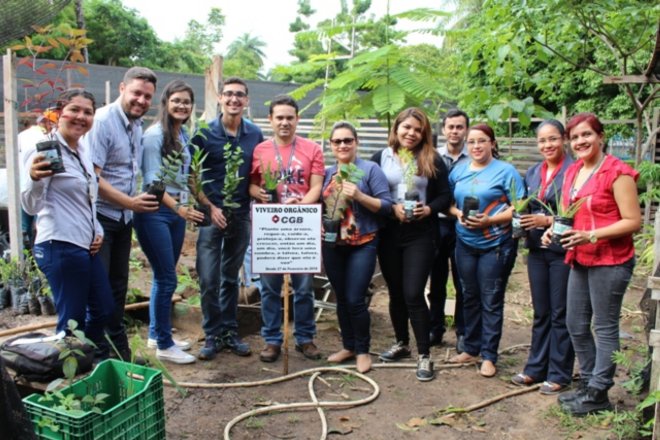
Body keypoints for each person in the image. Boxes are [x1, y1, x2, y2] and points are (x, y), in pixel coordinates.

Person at [545, 113, 640, 416]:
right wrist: (552, 230)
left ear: (600, 137)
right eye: (574, 138)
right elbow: (568, 214)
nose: (580, 141)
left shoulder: (617, 172)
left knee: (604, 325)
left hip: (611, 260)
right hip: (580, 257)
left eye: (586, 135)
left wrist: (591, 234)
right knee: (574, 323)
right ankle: (587, 383)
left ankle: (600, 389)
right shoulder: (573, 171)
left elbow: (633, 221)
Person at [22, 88, 113, 353]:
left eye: (87, 112)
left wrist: (97, 229)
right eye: (74, 109)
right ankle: (67, 381)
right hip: (59, 245)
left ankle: (91, 360)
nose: (81, 116)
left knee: (103, 309)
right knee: (71, 324)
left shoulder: (82, 150)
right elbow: (30, 204)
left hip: (86, 246)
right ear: (59, 113)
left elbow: (87, 198)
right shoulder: (46, 151)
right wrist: (33, 177)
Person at [371, 107, 451, 382]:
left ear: (424, 133)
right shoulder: (380, 157)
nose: (412, 133)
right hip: (389, 232)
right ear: (396, 128)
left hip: (420, 233)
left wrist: (429, 210)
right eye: (407, 127)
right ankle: (402, 343)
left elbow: (445, 196)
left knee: (414, 293)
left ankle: (424, 355)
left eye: (418, 130)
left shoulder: (432, 158)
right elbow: (369, 190)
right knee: (395, 291)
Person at [87, 67, 160, 360]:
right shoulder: (103, 121)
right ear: (122, 88)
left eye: (147, 96)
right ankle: (94, 356)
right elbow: (93, 177)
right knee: (100, 292)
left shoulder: (136, 124)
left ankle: (117, 354)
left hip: (122, 220)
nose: (141, 100)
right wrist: (130, 202)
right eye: (136, 93)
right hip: (102, 218)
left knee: (118, 288)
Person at [193, 77, 264, 361]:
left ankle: (229, 332)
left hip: (240, 215)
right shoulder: (204, 133)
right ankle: (212, 334)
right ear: (220, 98)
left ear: (246, 101)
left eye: (240, 95)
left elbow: (255, 175)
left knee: (231, 277)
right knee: (209, 278)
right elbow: (192, 176)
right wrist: (210, 207)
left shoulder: (254, 134)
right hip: (211, 216)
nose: (234, 100)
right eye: (229, 94)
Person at [249, 95, 325, 363]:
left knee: (304, 286)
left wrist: (300, 203)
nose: (284, 122)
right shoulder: (260, 150)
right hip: (270, 226)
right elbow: (252, 185)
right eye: (279, 117)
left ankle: (305, 338)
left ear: (297, 120)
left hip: (301, 224)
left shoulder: (312, 149)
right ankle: (272, 339)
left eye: (289, 118)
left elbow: (316, 186)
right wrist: (259, 192)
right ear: (270, 120)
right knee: (269, 287)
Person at [133, 80, 204, 364]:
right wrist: (179, 209)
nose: (182, 106)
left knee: (164, 276)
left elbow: (188, 176)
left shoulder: (182, 134)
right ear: (165, 103)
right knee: (167, 278)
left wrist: (199, 203)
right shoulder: (154, 136)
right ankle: (164, 345)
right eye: (176, 100)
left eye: (186, 101)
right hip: (155, 211)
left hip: (175, 211)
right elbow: (153, 182)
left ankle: (156, 333)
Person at [448, 123, 523, 378]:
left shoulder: (506, 171)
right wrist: (458, 214)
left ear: (492, 143)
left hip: (496, 244)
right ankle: (470, 347)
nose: (476, 146)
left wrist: (490, 221)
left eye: (482, 141)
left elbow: (519, 207)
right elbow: (448, 203)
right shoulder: (458, 170)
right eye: (472, 142)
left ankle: (489, 355)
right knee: (468, 295)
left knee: (490, 299)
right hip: (465, 243)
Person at [321, 121, 393, 373]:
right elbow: (320, 205)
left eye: (347, 140)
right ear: (331, 145)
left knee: (355, 299)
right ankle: (348, 346)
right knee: (341, 298)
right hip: (332, 245)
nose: (342, 145)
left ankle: (363, 350)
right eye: (337, 141)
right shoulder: (328, 172)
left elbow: (387, 205)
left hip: (363, 243)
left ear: (356, 142)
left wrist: (360, 196)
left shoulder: (370, 169)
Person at [511, 119, 575, 394]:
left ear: (564, 139)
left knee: (561, 312)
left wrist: (546, 220)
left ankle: (559, 372)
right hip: (537, 249)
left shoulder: (575, 170)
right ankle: (536, 367)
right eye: (542, 140)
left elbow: (577, 212)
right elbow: (525, 203)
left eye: (553, 139)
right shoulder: (534, 172)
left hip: (564, 249)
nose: (547, 145)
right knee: (541, 311)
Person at [428, 109, 470, 351]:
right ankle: (435, 328)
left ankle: (462, 332)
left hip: (464, 225)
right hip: (437, 223)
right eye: (451, 127)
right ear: (444, 130)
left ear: (466, 129)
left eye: (459, 127)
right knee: (437, 279)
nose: (455, 131)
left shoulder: (472, 156)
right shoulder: (433, 157)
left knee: (462, 279)